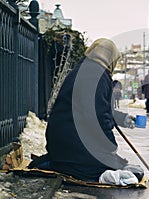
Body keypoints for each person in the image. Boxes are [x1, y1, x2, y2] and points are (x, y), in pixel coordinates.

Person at [28, 38, 141, 182]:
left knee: (114, 163)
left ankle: (56, 162)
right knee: (110, 167)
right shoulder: (98, 75)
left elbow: (96, 108)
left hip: (61, 141)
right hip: (74, 143)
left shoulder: (84, 69)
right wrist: (110, 145)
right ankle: (57, 164)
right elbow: (96, 116)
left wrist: (122, 118)